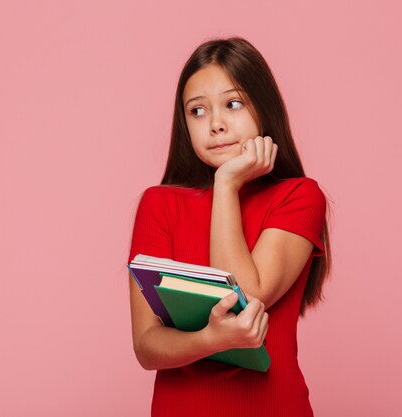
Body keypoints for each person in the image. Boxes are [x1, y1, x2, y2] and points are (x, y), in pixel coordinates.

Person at [127, 36, 332, 417]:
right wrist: (209, 339)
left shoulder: (300, 197)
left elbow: (247, 292)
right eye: (197, 111)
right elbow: (146, 345)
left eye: (232, 104)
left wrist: (226, 184)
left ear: (263, 107)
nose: (216, 124)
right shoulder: (159, 204)